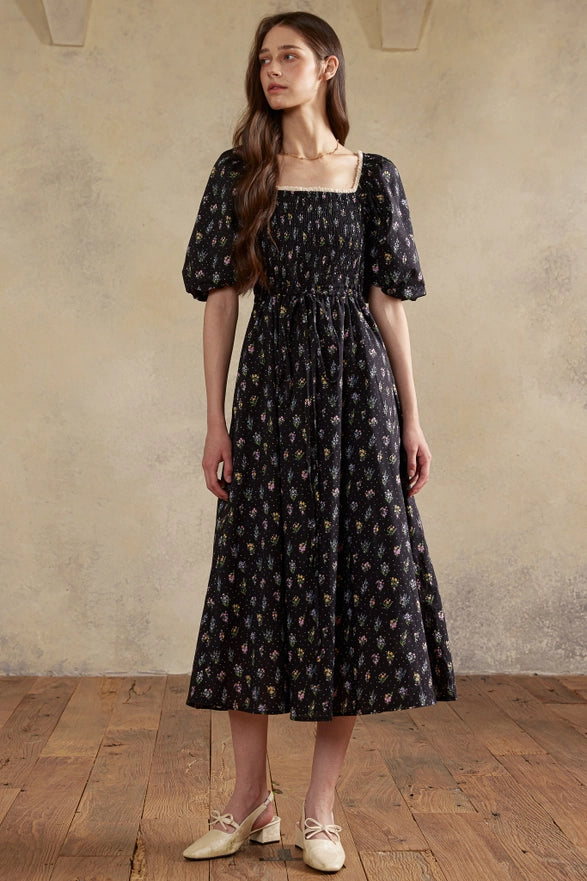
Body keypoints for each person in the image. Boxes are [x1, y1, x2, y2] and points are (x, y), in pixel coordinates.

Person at [181, 10, 456, 873]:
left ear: (327, 67)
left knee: (354, 591)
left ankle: (319, 812)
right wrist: (217, 419)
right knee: (253, 584)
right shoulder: (240, 173)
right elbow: (220, 297)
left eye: (288, 56)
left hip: (356, 398)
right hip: (267, 398)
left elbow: (388, 304)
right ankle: (246, 801)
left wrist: (412, 417)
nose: (271, 71)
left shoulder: (372, 177)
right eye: (263, 59)